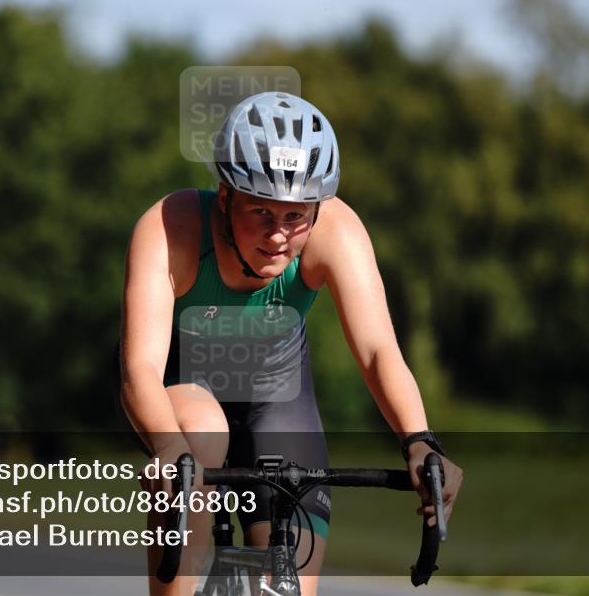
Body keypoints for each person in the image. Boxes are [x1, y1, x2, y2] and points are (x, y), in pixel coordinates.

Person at [119, 91, 463, 596]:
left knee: (290, 587)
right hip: (183, 396)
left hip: (278, 402)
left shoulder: (336, 230)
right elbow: (139, 369)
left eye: (295, 216)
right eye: (261, 212)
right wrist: (169, 452)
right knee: (198, 441)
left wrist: (419, 441)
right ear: (225, 195)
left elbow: (377, 351)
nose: (278, 236)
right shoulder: (173, 227)